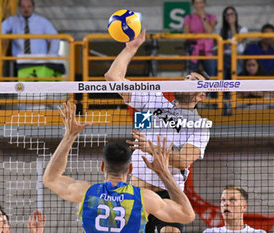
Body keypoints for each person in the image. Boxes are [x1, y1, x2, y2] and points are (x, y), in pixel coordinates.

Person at [105, 30, 210, 232]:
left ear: (202, 96)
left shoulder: (200, 125)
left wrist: (152, 149)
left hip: (167, 195)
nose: (188, 80)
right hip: (136, 193)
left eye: (194, 81)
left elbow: (182, 160)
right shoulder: (153, 98)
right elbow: (112, 77)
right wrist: (131, 48)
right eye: (187, 77)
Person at [42, 102, 195, 233]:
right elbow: (187, 215)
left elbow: (50, 178)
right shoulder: (144, 199)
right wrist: (164, 173)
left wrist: (69, 136)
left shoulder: (86, 193)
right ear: (130, 169)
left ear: (102, 166)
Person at [183, 0, 217, 78]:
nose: (199, 5)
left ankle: (211, 90)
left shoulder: (211, 17)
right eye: (196, 3)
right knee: (191, 74)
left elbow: (210, 31)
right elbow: (186, 34)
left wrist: (203, 17)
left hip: (208, 49)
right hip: (194, 48)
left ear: (204, 4)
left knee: (211, 74)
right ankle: (191, 90)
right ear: (193, 5)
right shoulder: (188, 17)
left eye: (201, 2)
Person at [220, 6, 248, 80]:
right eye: (227, 15)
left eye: (232, 14)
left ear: (236, 15)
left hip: (238, 57)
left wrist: (232, 25)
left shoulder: (243, 29)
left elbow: (236, 42)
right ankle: (223, 90)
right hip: (225, 58)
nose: (230, 16)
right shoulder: (222, 31)